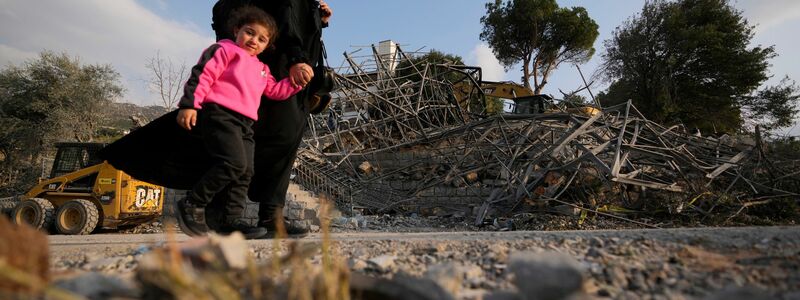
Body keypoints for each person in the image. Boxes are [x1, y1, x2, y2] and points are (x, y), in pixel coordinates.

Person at [210, 0, 332, 237]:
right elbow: (282, 21)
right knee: (246, 143)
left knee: (285, 143)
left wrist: (319, 21)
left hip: (294, 82)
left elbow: (296, 24)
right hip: (270, 73)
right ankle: (225, 215)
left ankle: (270, 216)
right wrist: (296, 58)